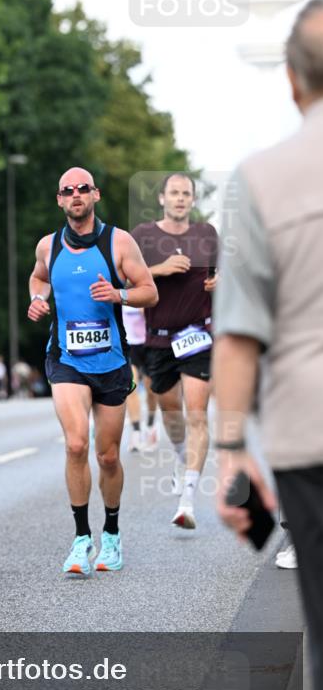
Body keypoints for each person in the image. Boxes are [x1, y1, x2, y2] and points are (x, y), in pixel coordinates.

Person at [214, 0, 323, 690]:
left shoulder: (261, 180)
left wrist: (226, 454)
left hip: (306, 435)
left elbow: (239, 333)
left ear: (290, 81)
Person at [27, 167, 157, 576]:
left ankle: (112, 535)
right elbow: (37, 277)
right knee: (77, 445)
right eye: (68, 190)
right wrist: (37, 298)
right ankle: (81, 538)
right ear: (60, 200)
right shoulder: (48, 247)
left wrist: (117, 293)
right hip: (66, 358)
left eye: (83, 188)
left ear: (95, 195)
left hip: (112, 362)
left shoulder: (119, 242)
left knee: (108, 455)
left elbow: (149, 291)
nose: (76, 195)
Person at [132, 174, 218, 529]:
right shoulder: (143, 236)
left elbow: (223, 276)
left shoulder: (206, 235)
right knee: (172, 414)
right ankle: (183, 460)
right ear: (163, 199)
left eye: (187, 194)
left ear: (193, 201)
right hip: (158, 338)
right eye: (175, 193)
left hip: (198, 335)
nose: (180, 199)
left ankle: (188, 499)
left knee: (197, 414)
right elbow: (125, 281)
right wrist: (159, 270)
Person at [121, 304, 159, 452]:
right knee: (131, 388)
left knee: (151, 390)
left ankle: (150, 424)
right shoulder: (119, 289)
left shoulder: (147, 287)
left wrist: (145, 308)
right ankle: (136, 431)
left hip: (149, 343)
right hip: (129, 346)